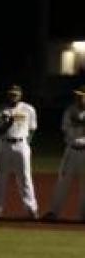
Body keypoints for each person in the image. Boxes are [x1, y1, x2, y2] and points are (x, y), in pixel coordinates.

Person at [0, 84, 38, 220]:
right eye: (11, 94)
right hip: (4, 144)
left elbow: (33, 128)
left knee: (25, 178)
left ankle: (31, 209)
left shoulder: (28, 109)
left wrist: (26, 143)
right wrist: (7, 125)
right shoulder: (1, 109)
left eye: (15, 94)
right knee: (1, 177)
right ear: (7, 95)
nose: (13, 96)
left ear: (20, 95)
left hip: (21, 144)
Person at [43, 85, 85, 221]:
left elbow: (76, 123)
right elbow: (65, 128)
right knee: (62, 182)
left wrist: (79, 122)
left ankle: (83, 215)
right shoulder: (69, 110)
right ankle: (54, 212)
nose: (78, 97)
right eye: (77, 95)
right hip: (71, 150)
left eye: (81, 95)